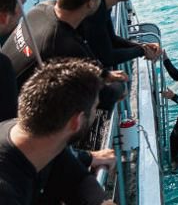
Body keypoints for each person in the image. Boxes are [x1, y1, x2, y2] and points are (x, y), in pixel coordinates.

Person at [1, 0, 128, 109]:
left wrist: (104, 74)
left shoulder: (41, 8)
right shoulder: (63, 44)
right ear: (91, 3)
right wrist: (120, 87)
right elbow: (104, 96)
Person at [0, 58, 110, 205]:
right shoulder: (6, 192)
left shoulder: (36, 139)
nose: (95, 113)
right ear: (76, 121)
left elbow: (78, 179)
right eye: (95, 107)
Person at [79, 0, 160, 68]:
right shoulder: (96, 10)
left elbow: (112, 39)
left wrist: (143, 47)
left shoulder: (103, 1)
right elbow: (107, 58)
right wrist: (141, 51)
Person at [0, 0, 24, 122]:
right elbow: (7, 128)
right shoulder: (2, 67)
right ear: (3, 17)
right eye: (19, 10)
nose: (22, 15)